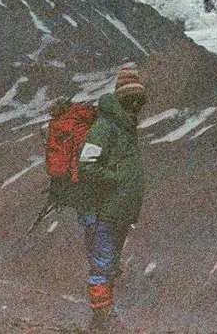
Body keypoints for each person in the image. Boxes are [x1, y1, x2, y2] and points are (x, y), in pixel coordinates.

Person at [77, 64, 146, 332]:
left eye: (140, 100)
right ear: (124, 99)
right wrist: (116, 180)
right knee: (103, 264)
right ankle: (103, 321)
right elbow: (87, 164)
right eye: (133, 99)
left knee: (109, 264)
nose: (137, 104)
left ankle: (103, 319)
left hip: (118, 212)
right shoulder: (105, 126)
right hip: (103, 210)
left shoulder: (126, 128)